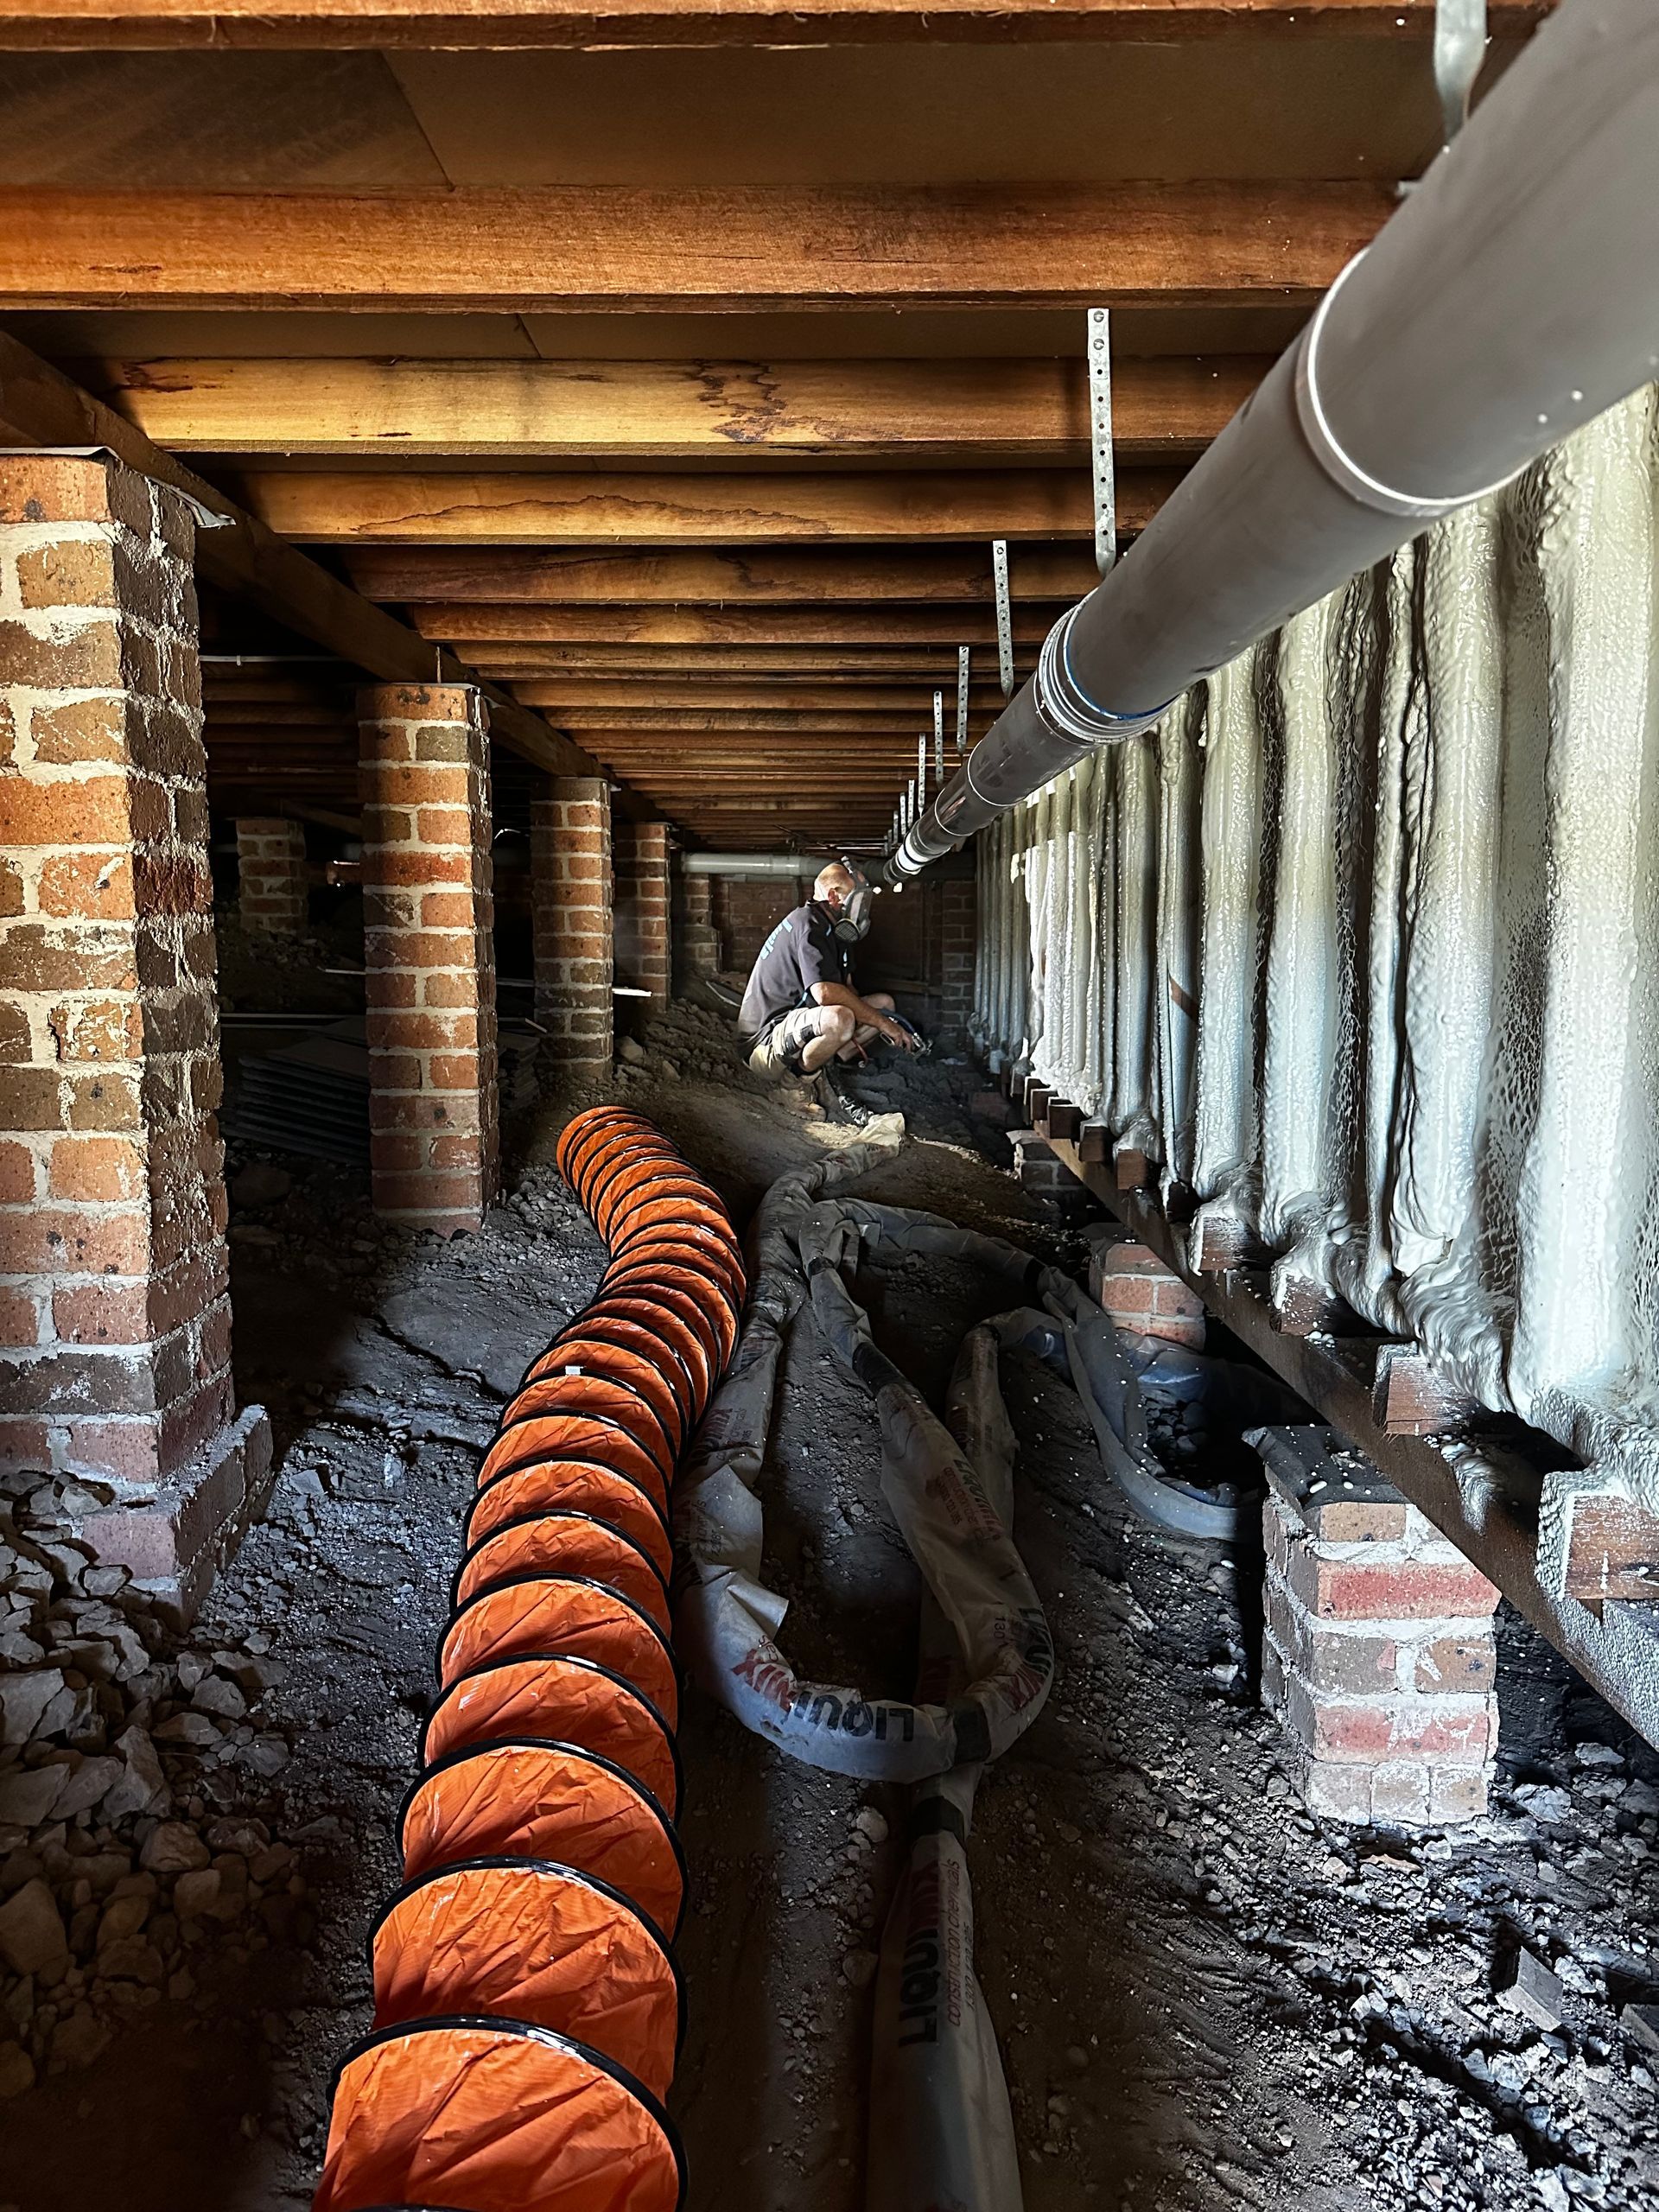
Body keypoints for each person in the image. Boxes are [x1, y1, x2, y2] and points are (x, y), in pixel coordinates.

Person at [737, 861, 922, 1125]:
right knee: (841, 1019)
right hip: (763, 1045)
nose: (863, 909)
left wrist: (882, 1019)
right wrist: (884, 1025)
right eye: (857, 899)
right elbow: (824, 993)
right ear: (833, 897)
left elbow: (848, 990)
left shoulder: (838, 933)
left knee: (883, 1003)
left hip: (796, 1026)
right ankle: (792, 1086)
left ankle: (830, 1058)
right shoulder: (808, 923)